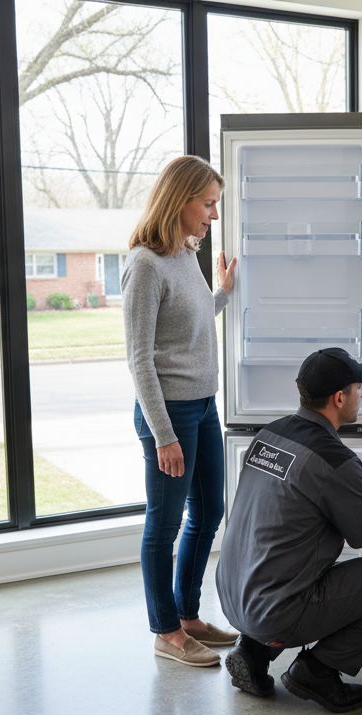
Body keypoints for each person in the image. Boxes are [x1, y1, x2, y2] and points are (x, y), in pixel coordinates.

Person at [216, 347, 362, 711]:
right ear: (339, 398)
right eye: (358, 388)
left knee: (283, 563)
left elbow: (297, 507)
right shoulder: (336, 460)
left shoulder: (271, 435)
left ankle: (253, 651)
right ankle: (318, 670)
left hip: (233, 596)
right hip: (277, 610)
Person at [122, 155, 239, 667]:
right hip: (169, 414)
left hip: (203, 406)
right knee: (164, 524)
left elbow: (190, 320)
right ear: (180, 200)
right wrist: (163, 435)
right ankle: (166, 631)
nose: (214, 214)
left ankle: (188, 616)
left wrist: (223, 295)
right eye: (208, 203)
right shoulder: (145, 264)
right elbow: (139, 358)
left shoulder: (185, 253)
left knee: (209, 512)